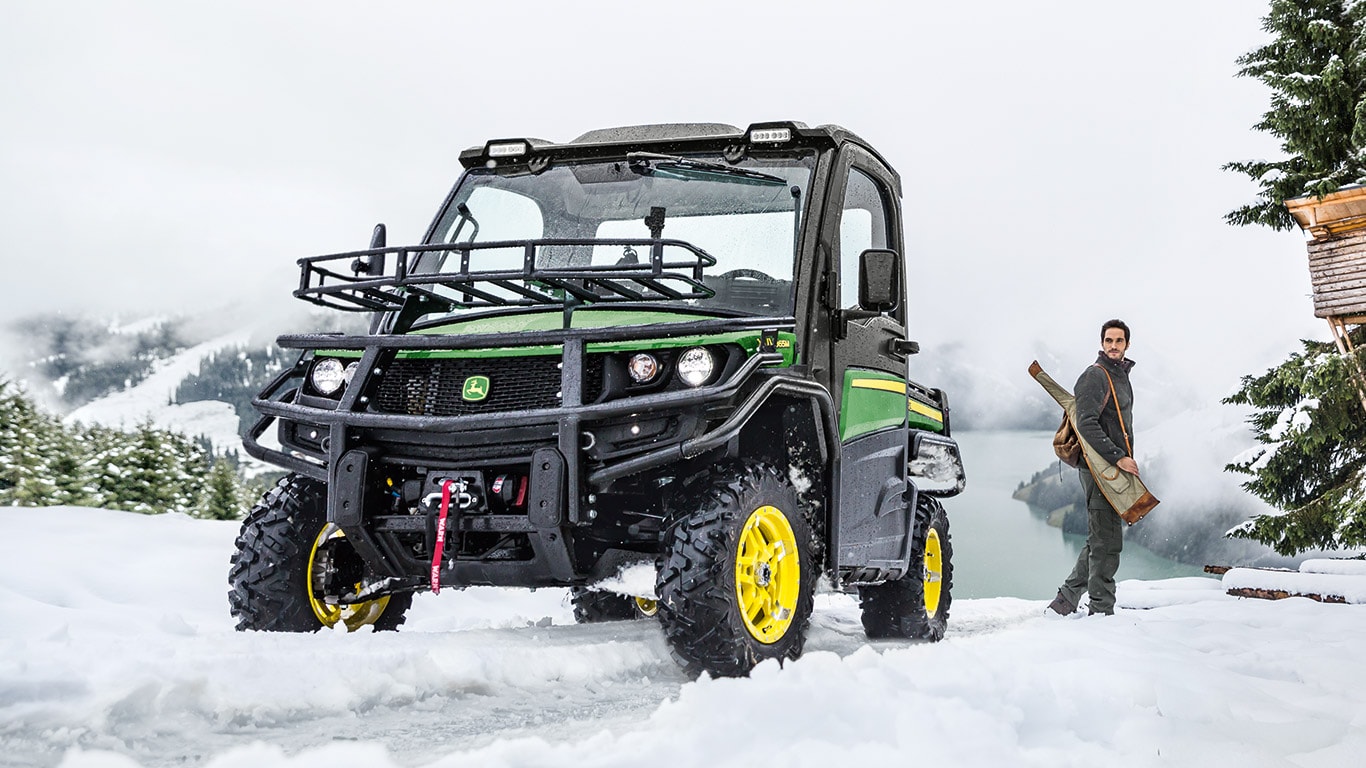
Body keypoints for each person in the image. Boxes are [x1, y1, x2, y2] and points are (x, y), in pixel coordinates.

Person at [1048, 319, 1137, 617]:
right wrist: (1117, 457)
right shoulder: (1095, 376)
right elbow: (1086, 424)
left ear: (1126, 344)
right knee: (1106, 543)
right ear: (1102, 343)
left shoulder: (1119, 375)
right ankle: (1101, 611)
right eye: (1109, 340)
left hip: (1112, 469)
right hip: (1099, 468)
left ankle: (1066, 599)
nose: (1113, 346)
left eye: (1119, 341)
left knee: (1102, 537)